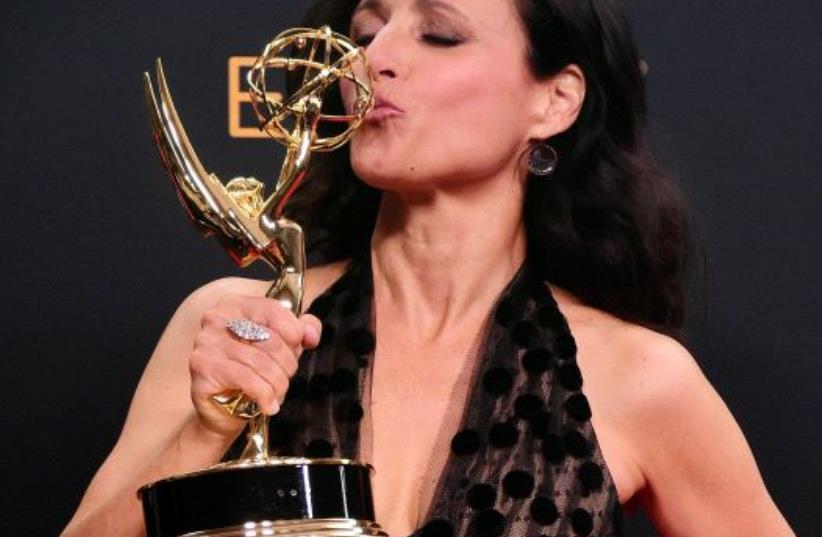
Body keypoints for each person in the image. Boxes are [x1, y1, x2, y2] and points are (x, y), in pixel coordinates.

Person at [62, 0, 796, 536]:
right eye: (366, 31)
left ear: (556, 100)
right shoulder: (238, 321)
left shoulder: (638, 378)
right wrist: (203, 431)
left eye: (440, 34)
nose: (373, 59)